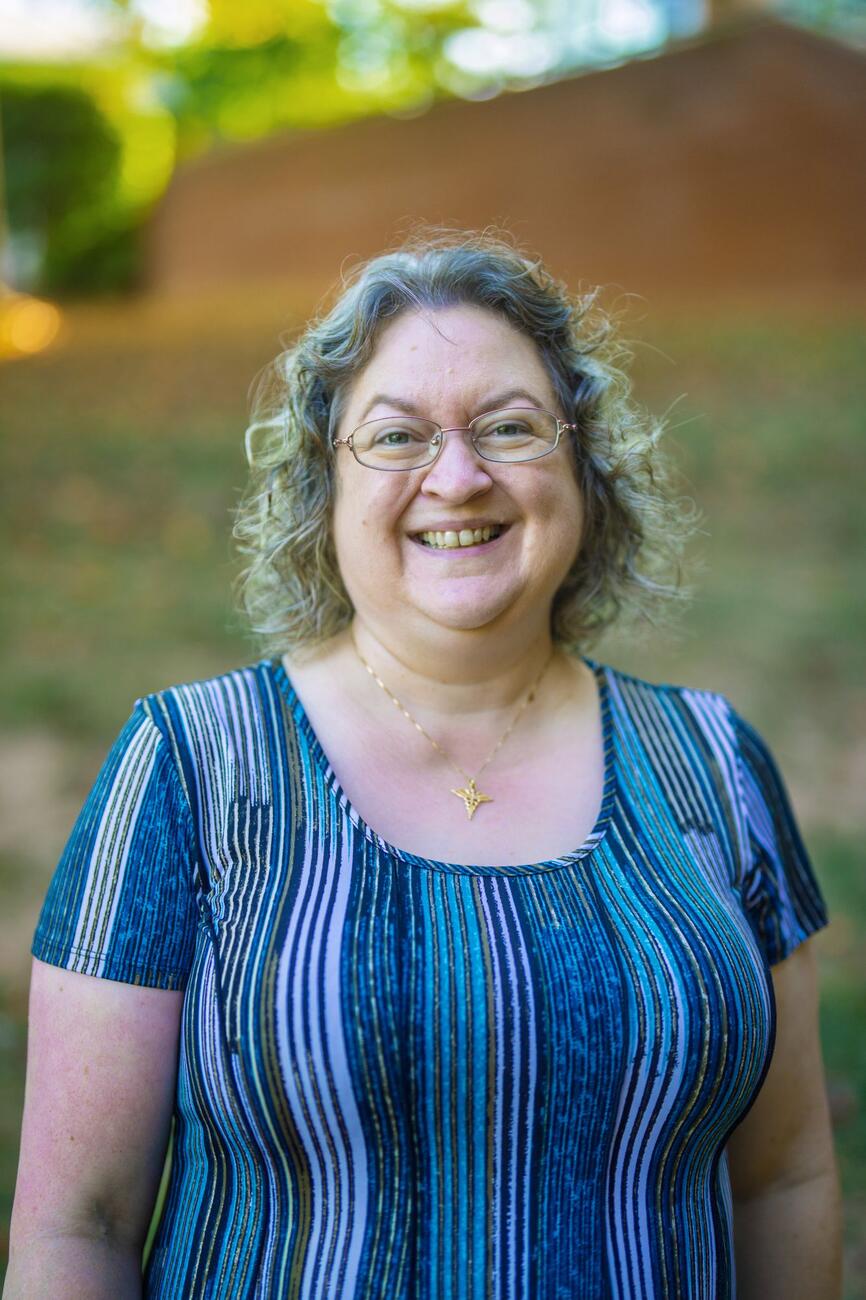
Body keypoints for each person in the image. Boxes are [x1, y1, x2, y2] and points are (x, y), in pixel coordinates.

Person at [6, 231, 842, 1299]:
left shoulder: (712, 763)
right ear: (324, 483)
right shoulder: (188, 767)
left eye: (507, 426)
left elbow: (783, 1178)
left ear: (581, 463)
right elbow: (79, 1226)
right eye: (396, 436)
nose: (457, 476)